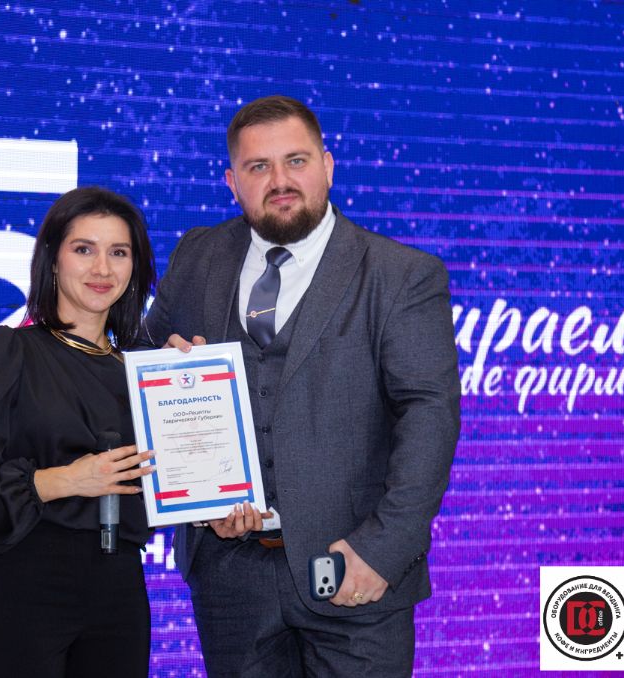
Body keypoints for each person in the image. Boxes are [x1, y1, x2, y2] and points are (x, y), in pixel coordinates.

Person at [144, 95, 461, 676]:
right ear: (231, 182)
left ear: (328, 165)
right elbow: (146, 366)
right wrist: (199, 492)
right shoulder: (198, 255)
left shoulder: (401, 274)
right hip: (230, 580)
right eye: (258, 166)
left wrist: (382, 550)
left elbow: (429, 420)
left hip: (355, 572)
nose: (280, 181)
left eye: (296, 160)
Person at [0, 186, 158, 678]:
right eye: (84, 249)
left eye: (119, 252)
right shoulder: (8, 351)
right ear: (53, 259)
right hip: (30, 585)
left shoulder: (144, 373)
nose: (103, 269)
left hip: (121, 588)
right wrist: (66, 480)